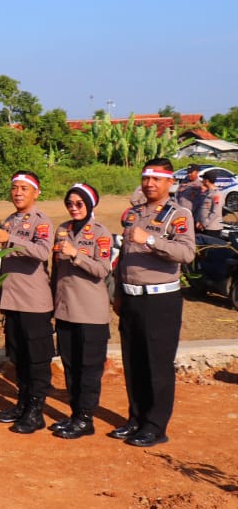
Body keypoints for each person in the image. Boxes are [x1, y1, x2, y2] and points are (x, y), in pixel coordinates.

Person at [110, 158, 195, 447]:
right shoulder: (133, 214)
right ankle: (136, 418)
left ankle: (155, 426)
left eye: (156, 179)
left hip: (160, 300)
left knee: (157, 365)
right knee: (133, 363)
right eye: (146, 178)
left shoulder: (178, 214)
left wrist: (150, 241)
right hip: (132, 298)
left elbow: (186, 254)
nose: (149, 184)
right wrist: (119, 293)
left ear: (169, 182)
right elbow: (124, 258)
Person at [0, 171, 55, 434]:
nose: (17, 193)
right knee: (19, 357)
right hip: (12, 300)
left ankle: (36, 411)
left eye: (24, 189)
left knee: (37, 359)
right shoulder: (9, 220)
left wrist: (12, 240)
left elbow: (42, 251)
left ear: (36, 193)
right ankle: (22, 403)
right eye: (14, 187)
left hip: (34, 303)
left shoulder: (42, 221)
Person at [49, 183, 112, 440]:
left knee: (88, 369)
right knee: (70, 366)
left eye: (79, 204)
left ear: (89, 205)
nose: (73, 208)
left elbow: (102, 269)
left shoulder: (100, 233)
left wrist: (77, 254)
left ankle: (86, 419)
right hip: (65, 311)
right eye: (70, 204)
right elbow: (55, 272)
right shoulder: (62, 229)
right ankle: (75, 414)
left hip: (90, 313)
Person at [196, 171, 225, 235]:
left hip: (212, 229)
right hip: (202, 227)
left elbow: (215, 212)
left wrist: (203, 224)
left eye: (203, 179)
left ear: (207, 180)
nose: (202, 181)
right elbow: (201, 209)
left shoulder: (217, 194)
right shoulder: (207, 193)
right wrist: (198, 220)